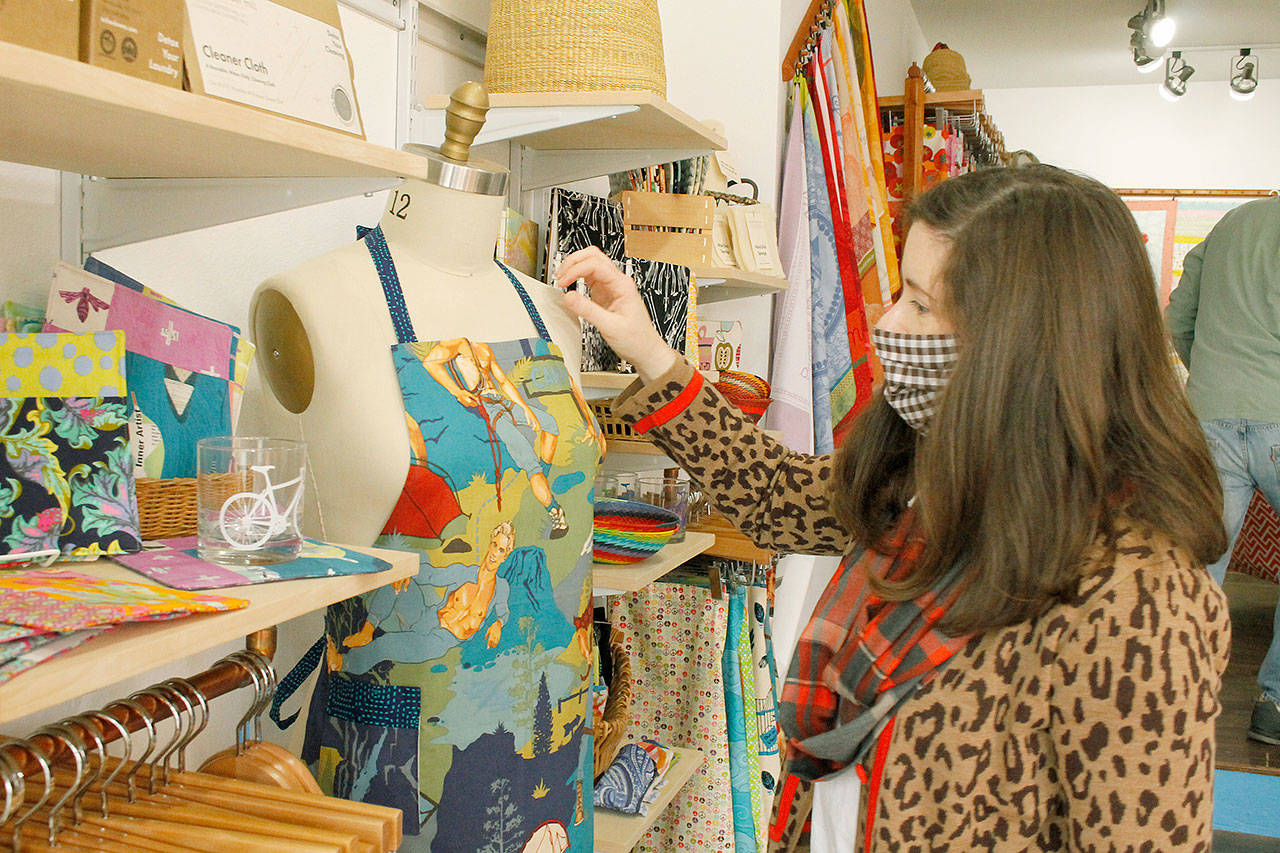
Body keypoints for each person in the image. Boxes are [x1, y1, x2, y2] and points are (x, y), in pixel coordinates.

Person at [556, 165, 1230, 851]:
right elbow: (773, 493)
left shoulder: (1140, 602)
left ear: (1022, 345)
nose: (890, 325)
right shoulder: (933, 476)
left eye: (922, 304)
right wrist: (648, 348)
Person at [1166, 194, 1280, 745]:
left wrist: (1209, 372)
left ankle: (1177, 697)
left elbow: (1178, 317)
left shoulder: (1232, 222)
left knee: (1197, 562)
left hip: (1210, 413)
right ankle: (1273, 706)